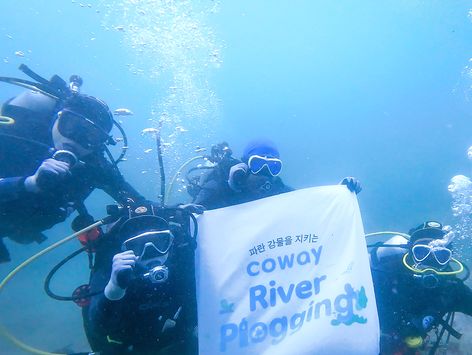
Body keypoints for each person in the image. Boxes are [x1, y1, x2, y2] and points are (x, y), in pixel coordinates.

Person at [0, 73, 145, 262]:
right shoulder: (15, 135)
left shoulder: (95, 166)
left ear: (99, 144)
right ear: (59, 117)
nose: (74, 140)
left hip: (23, 229)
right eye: (71, 125)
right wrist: (29, 183)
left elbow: (136, 201)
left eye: (90, 136)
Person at [85, 202, 198, 355]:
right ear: (125, 249)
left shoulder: (182, 258)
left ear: (171, 241)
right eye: (138, 246)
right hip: (126, 347)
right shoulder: (113, 267)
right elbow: (98, 328)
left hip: (174, 339)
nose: (151, 252)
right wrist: (113, 290)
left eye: (160, 242)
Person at [369, 221, 472, 354]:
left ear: (449, 259)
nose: (430, 262)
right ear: (411, 252)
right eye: (422, 253)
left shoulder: (451, 289)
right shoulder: (387, 273)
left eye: (441, 256)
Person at [191, 138, 361, 210]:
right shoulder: (218, 183)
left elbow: (310, 204)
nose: (265, 173)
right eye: (257, 164)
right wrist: (230, 187)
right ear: (245, 164)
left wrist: (340, 193)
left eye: (273, 167)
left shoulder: (277, 190)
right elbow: (194, 214)